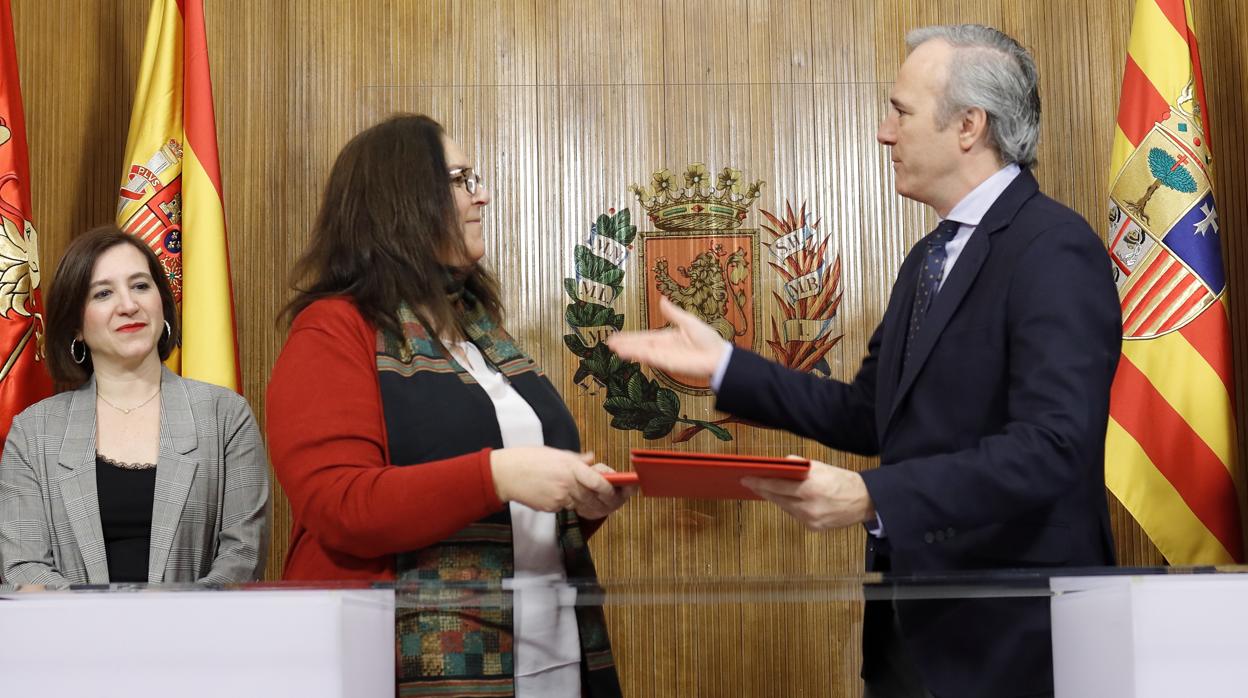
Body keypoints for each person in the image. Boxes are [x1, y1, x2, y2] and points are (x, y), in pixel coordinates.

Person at [609, 24, 1121, 698]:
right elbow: (869, 414)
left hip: (1014, 640)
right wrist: (726, 368)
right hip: (911, 634)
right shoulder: (930, 257)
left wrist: (872, 495)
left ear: (969, 125)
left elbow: (1052, 448)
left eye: (901, 111)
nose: (885, 132)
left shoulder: (1053, 249)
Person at [266, 113, 631, 697]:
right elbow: (338, 503)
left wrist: (582, 497)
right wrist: (498, 474)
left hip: (551, 653)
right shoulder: (333, 329)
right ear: (401, 200)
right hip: (405, 662)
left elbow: (514, 515)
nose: (480, 194)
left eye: (473, 177)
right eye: (460, 179)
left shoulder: (486, 335)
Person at [0, 226, 270, 587]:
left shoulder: (225, 416)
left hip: (198, 638)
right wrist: (104, 627)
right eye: (103, 293)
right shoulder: (33, 433)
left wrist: (167, 627)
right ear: (76, 325)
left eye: (141, 286)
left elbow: (243, 558)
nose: (129, 305)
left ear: (162, 302)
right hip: (74, 640)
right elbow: (23, 566)